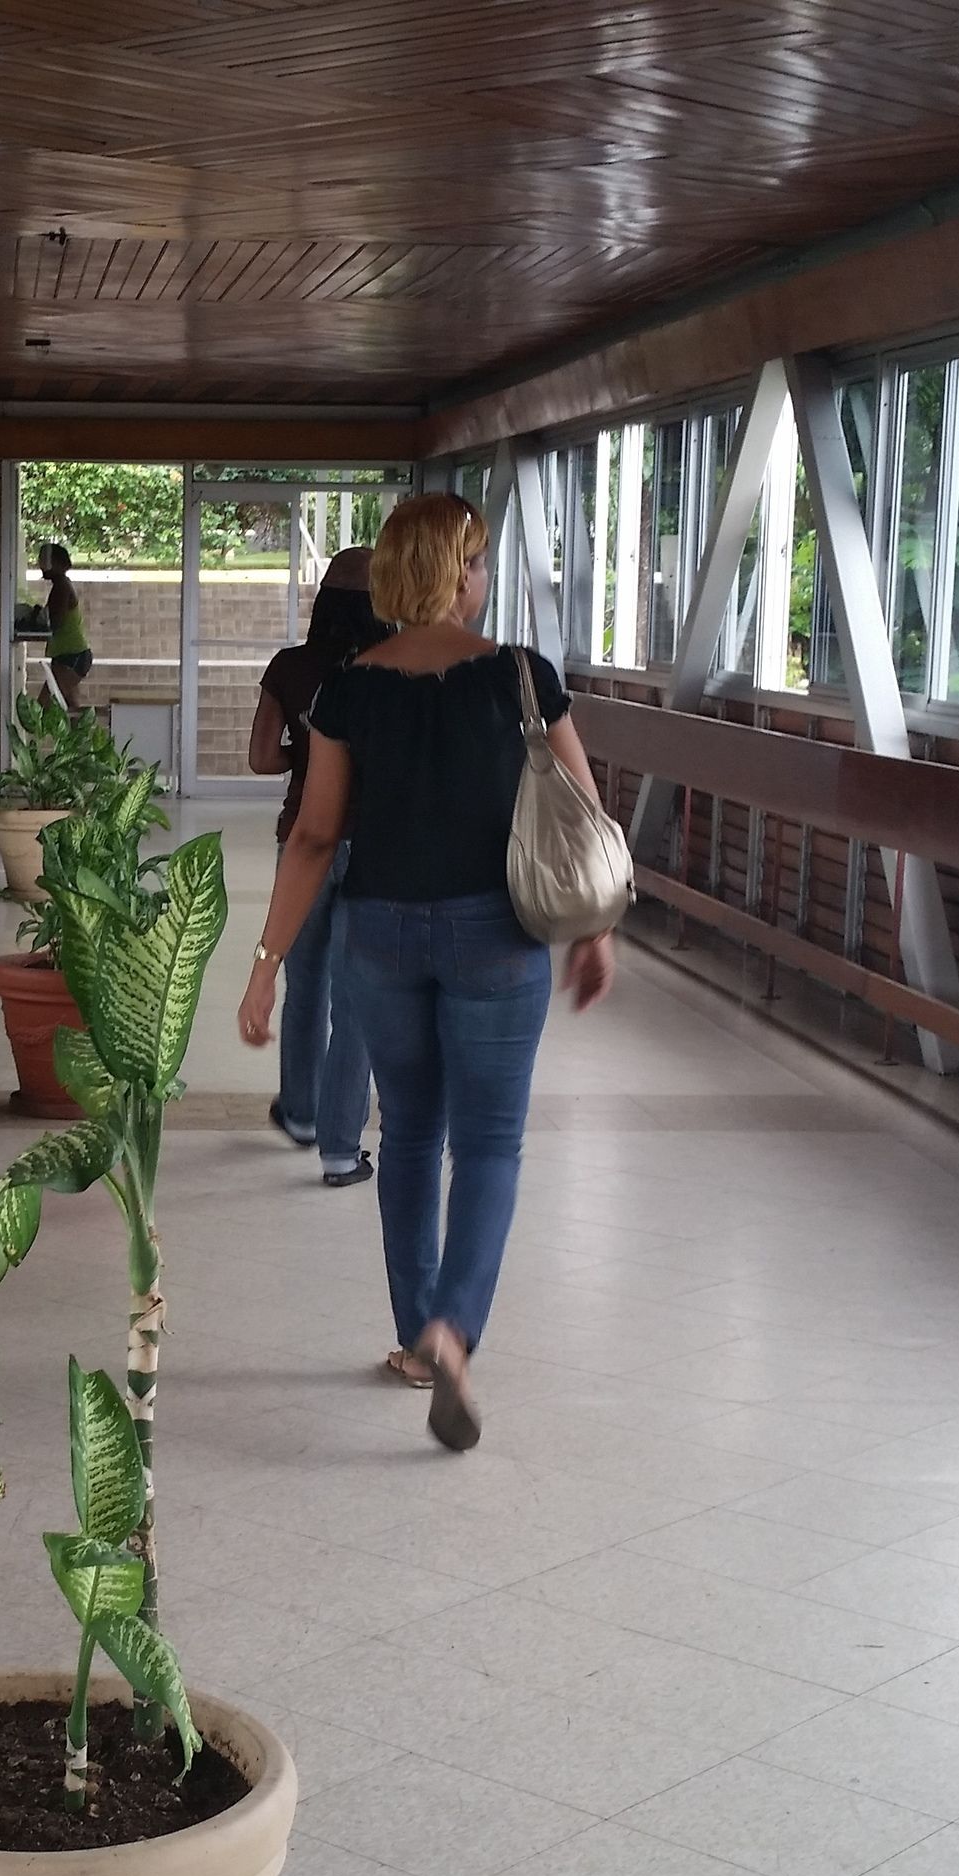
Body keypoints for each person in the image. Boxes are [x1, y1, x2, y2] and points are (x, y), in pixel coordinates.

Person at [236, 495, 614, 1454]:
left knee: (406, 1134)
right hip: (498, 938)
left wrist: (266, 964)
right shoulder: (520, 675)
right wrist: (594, 930)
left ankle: (413, 1339)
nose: (484, 578)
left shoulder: (350, 688)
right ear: (456, 572)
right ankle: (455, 1328)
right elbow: (579, 808)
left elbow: (316, 834)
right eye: (478, 561)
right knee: (488, 1143)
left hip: (382, 936)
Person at [248, 546, 385, 1188]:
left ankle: (299, 1113)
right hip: (372, 846)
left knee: (306, 981)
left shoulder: (291, 668)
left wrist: (309, 764)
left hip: (301, 836)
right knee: (356, 996)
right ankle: (339, 1147)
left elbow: (259, 758)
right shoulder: (391, 669)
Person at [38, 543, 95, 709]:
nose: (42, 565)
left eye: (46, 560)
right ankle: (84, 734)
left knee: (44, 705)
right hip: (69, 656)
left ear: (56, 562)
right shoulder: (61, 585)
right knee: (71, 708)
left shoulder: (61, 587)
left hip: (72, 657)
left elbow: (55, 621)